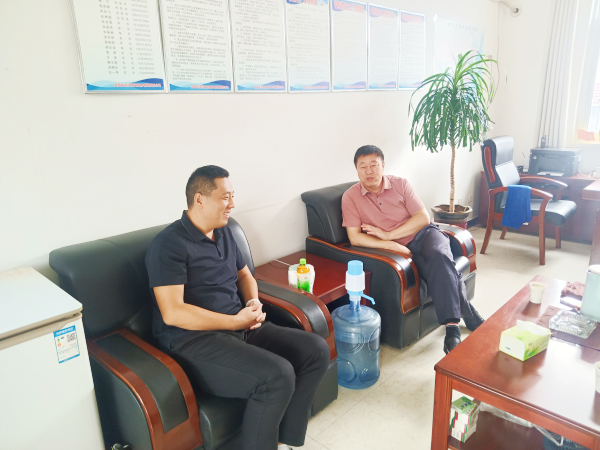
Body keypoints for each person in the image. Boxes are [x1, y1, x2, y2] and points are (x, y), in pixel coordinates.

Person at [145, 165, 329, 450]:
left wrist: (253, 302)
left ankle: (284, 440)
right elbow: (173, 312)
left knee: (316, 350)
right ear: (199, 199)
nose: (232, 204)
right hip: (194, 341)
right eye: (225, 197)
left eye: (233, 196)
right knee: (277, 376)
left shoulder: (224, 231)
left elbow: (245, 276)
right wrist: (235, 322)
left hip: (240, 327)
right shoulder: (169, 245)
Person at [341, 145, 484, 353]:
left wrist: (389, 235)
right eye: (362, 166)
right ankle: (466, 315)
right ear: (356, 169)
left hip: (425, 234)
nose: (368, 171)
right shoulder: (350, 197)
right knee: (440, 270)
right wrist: (390, 245)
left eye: (373, 165)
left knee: (440, 255)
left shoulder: (400, 184)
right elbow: (354, 237)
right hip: (397, 249)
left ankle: (452, 328)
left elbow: (422, 218)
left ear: (383, 165)